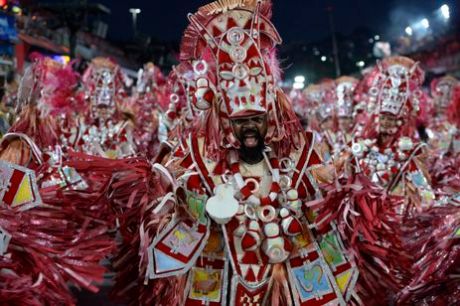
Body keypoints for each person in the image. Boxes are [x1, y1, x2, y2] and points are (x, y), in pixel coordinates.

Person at [109, 1, 358, 305]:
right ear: (225, 121)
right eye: (241, 122)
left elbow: (324, 206)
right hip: (218, 283)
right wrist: (166, 190)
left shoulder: (298, 152)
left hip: (285, 284)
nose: (250, 129)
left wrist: (339, 183)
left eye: (257, 119)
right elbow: (169, 206)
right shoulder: (198, 156)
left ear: (272, 115)